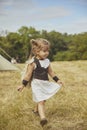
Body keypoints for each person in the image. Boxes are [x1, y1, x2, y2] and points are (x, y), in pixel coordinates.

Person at [18, 38, 63, 127]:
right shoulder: (33, 63)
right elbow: (28, 75)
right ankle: (43, 118)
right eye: (44, 51)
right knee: (41, 101)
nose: (46, 53)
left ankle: (36, 111)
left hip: (45, 83)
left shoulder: (47, 61)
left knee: (43, 99)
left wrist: (57, 80)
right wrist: (23, 85)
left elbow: (51, 72)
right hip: (37, 84)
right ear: (37, 51)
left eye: (47, 51)